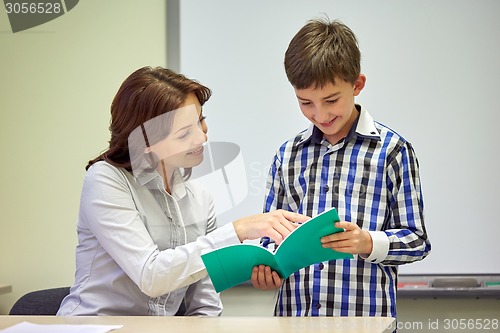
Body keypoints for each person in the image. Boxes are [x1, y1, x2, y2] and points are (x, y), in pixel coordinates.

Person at [57, 66, 308, 316]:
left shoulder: (200, 198)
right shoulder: (105, 179)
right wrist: (238, 231)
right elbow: (151, 276)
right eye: (185, 133)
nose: (202, 138)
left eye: (200, 120)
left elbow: (206, 307)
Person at [250, 18, 431, 318]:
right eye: (305, 103)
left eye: (331, 100)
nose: (319, 114)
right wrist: (267, 266)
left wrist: (368, 242)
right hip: (295, 320)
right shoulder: (287, 155)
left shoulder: (393, 152)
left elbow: (417, 240)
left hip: (365, 321)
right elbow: (271, 237)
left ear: (357, 85)